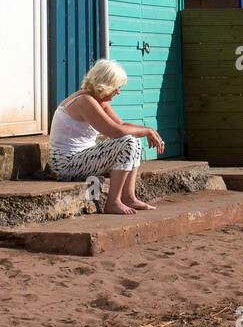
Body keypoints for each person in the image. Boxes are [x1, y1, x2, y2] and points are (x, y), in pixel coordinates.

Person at [47, 58, 165, 215]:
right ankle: (113, 203)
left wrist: (149, 130)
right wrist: (146, 132)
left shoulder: (97, 100)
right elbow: (115, 132)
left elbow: (122, 125)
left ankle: (129, 197)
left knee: (133, 137)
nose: (118, 92)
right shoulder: (84, 101)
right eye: (116, 87)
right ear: (105, 85)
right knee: (128, 140)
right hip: (66, 163)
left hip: (81, 158)